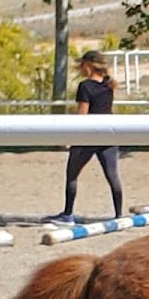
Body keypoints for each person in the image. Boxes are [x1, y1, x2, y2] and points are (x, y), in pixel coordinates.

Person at [45, 50, 123, 224]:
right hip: (108, 134)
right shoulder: (108, 85)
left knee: (72, 175)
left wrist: (71, 138)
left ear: (88, 65)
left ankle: (67, 215)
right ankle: (119, 215)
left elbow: (82, 116)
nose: (79, 68)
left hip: (88, 135)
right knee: (113, 176)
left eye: (81, 65)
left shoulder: (85, 86)